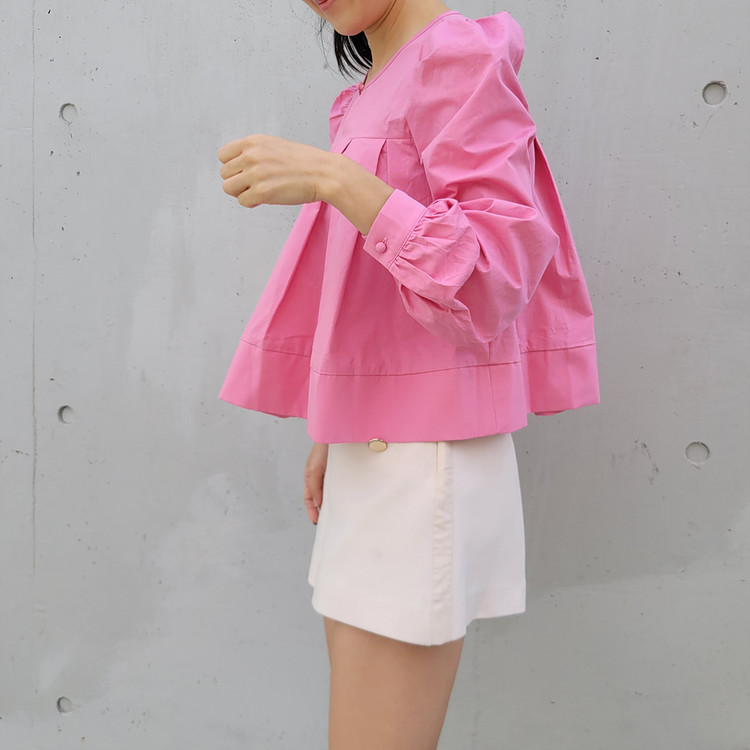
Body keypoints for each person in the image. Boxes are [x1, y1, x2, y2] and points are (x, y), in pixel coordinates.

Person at [217, 1, 599, 748]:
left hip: (425, 461)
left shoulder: (457, 58)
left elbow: (492, 275)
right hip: (378, 447)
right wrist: (340, 418)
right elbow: (372, 298)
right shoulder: (382, 80)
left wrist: (332, 176)